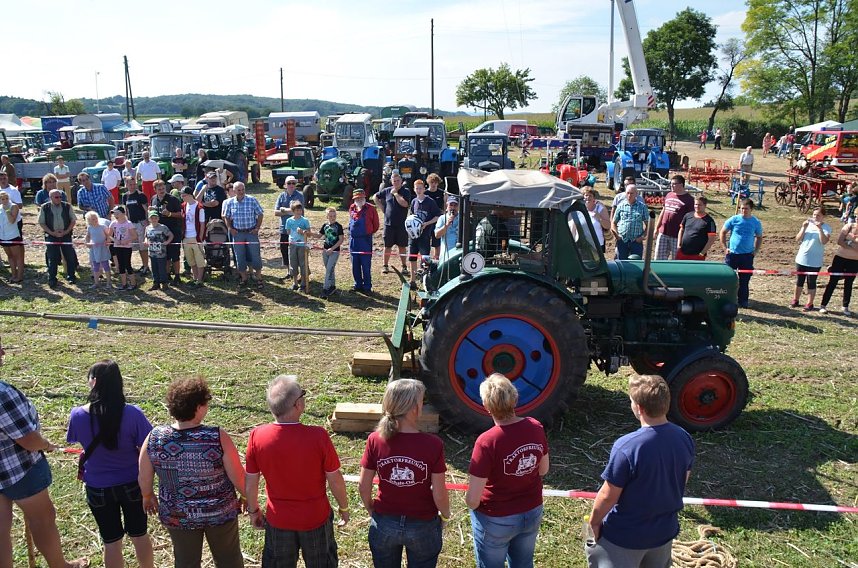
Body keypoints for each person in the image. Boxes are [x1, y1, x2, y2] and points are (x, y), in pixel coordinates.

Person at [586, 375, 695, 568]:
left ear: (639, 408)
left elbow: (608, 496)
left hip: (625, 537)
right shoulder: (684, 437)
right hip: (663, 532)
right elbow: (682, 479)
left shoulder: (627, 447)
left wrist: (594, 522)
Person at [139, 377, 246, 568]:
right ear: (198, 407)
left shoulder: (155, 437)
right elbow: (237, 475)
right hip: (219, 512)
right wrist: (247, 496)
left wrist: (147, 495)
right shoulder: (216, 436)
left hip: (178, 514)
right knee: (229, 560)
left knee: (186, 562)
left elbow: (144, 474)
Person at [245, 375, 349, 568]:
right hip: (315, 518)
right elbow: (335, 479)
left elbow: (251, 482)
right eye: (302, 394)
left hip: (278, 519)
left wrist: (253, 511)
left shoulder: (257, 436)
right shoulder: (318, 436)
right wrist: (344, 507)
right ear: (298, 405)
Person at [1, 356, 90, 567]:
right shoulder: (3, 394)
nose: (2, 352)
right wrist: (46, 444)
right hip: (18, 470)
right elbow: (29, 440)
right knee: (42, 520)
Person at [66, 360, 154, 568]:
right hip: (132, 483)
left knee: (111, 542)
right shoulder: (133, 413)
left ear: (94, 382)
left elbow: (76, 440)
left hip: (98, 487)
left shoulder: (77, 415)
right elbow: (148, 447)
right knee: (139, 535)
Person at [359, 379, 451, 568]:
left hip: (385, 521)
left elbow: (363, 485)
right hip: (422, 524)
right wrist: (445, 514)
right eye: (421, 401)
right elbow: (439, 493)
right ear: (415, 409)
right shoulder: (433, 444)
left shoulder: (375, 440)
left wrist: (371, 509)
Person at [465, 374, 549, 568]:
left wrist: (468, 504)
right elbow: (543, 469)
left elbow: (473, 499)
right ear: (515, 399)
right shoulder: (535, 427)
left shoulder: (487, 442)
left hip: (496, 518)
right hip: (531, 510)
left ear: (486, 406)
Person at [720, 199, 764, 309]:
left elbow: (759, 237)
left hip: (747, 256)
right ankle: (727, 299)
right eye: (742, 208)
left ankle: (743, 301)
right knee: (728, 279)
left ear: (751, 209)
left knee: (744, 280)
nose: (744, 210)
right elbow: (723, 232)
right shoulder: (734, 219)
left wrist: (755, 251)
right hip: (732, 255)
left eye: (746, 208)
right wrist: (725, 248)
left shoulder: (756, 222)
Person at [222, 181, 264, 287]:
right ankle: (244, 279)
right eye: (239, 190)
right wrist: (230, 228)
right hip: (238, 234)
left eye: (243, 189)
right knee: (239, 256)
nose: (241, 192)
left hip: (251, 232)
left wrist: (257, 228)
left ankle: (259, 278)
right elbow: (226, 216)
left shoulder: (252, 200)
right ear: (234, 191)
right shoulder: (230, 202)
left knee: (255, 255)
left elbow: (260, 213)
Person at [792, 207, 832, 311]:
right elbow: (798, 239)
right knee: (799, 280)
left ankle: (809, 303)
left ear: (823, 216)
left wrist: (820, 229)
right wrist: (803, 227)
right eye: (814, 215)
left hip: (815, 260)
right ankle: (795, 300)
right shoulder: (808, 225)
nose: (815, 217)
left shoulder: (826, 228)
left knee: (811, 281)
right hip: (802, 258)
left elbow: (824, 241)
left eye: (818, 215)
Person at [38, 188, 79, 288]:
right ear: (50, 197)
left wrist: (66, 231)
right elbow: (42, 223)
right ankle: (52, 278)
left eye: (60, 197)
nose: (59, 198)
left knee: (69, 256)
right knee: (53, 258)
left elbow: (73, 220)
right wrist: (52, 232)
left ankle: (71, 276)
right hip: (51, 236)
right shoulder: (44, 207)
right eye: (57, 197)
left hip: (66, 235)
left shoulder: (67, 206)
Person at [406, 179, 441, 289]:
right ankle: (412, 281)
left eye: (420, 188)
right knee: (412, 258)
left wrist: (427, 223)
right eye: (417, 188)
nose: (418, 190)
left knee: (425, 259)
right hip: (413, 235)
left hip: (425, 235)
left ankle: (426, 281)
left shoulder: (430, 201)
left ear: (424, 189)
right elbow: (411, 216)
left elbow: (437, 216)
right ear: (414, 189)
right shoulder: (414, 201)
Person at [818, 219, 858, 316]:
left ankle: (845, 306)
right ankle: (823, 305)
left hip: (855, 261)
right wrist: (853, 243)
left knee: (849, 284)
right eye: (857, 216)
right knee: (832, 282)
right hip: (840, 258)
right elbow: (840, 241)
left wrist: (848, 242)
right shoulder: (849, 226)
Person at [375, 172, 411, 275]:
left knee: (402, 246)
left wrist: (395, 194)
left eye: (398, 180)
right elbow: (375, 197)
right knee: (387, 246)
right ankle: (385, 266)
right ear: (391, 181)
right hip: (388, 224)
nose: (396, 182)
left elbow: (405, 204)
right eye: (394, 181)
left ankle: (404, 267)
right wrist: (382, 207)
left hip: (401, 224)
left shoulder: (406, 191)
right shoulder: (386, 190)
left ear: (401, 181)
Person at [654, 175, 694, 260]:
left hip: (677, 235)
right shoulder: (669, 195)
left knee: (677, 259)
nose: (671, 186)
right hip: (663, 232)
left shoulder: (689, 199)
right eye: (671, 184)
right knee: (659, 258)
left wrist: (686, 235)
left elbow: (690, 219)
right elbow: (663, 211)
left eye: (674, 184)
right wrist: (657, 228)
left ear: (681, 185)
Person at [151, 180, 183, 285]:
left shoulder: (173, 199)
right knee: (165, 255)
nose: (162, 191)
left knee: (175, 255)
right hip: (160, 232)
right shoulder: (153, 199)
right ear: (155, 190)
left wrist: (169, 214)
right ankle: (167, 274)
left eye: (163, 188)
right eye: (159, 189)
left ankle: (177, 276)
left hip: (174, 230)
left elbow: (181, 214)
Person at [348, 188, 380, 293]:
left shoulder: (371, 209)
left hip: (365, 240)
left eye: (361, 198)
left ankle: (367, 286)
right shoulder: (352, 208)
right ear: (354, 199)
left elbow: (376, 225)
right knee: (355, 264)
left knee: (366, 265)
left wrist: (367, 233)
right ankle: (357, 284)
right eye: (357, 198)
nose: (359, 200)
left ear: (365, 198)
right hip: (353, 241)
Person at [273, 176, 304, 277]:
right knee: (284, 250)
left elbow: (300, 212)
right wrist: (290, 211)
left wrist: (284, 210)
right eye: (289, 183)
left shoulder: (299, 196)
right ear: (285, 185)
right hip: (284, 229)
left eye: (293, 183)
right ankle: (289, 272)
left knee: (297, 252)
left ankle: (300, 274)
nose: (291, 185)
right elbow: (276, 212)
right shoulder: (281, 196)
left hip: (296, 230)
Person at [121, 177, 150, 276]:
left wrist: (147, 222)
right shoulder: (125, 196)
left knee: (143, 246)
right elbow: (126, 210)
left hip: (141, 222)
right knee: (134, 246)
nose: (133, 186)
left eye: (134, 184)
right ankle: (140, 265)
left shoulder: (141, 195)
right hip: (131, 223)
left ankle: (146, 266)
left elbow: (146, 209)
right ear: (126, 185)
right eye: (130, 184)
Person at [611, 185, 649, 260]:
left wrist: (642, 237)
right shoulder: (620, 206)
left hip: (636, 242)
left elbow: (649, 225)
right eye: (627, 193)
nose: (629, 195)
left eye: (631, 193)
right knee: (621, 263)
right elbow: (613, 223)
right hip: (622, 241)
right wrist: (617, 236)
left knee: (636, 263)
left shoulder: (642, 207)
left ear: (636, 194)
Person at [180, 187, 207, 287]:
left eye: (184, 195)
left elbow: (202, 224)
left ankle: (200, 280)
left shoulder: (199, 207)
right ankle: (195, 278)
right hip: (186, 237)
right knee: (190, 260)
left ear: (190, 195)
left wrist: (200, 238)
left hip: (195, 237)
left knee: (199, 260)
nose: (182, 197)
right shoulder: (183, 206)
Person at [676, 195, 717, 260]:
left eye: (699, 205)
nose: (697, 206)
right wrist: (679, 245)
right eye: (695, 204)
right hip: (682, 252)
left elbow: (711, 239)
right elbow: (681, 230)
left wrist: (702, 253)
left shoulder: (709, 221)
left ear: (705, 205)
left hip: (697, 255)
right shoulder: (687, 216)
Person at [108, 207, 138, 290]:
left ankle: (133, 284)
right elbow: (109, 235)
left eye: (117, 213)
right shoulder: (113, 223)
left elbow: (135, 236)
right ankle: (124, 284)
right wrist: (115, 240)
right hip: (117, 247)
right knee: (120, 265)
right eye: (114, 213)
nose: (115, 215)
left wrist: (126, 240)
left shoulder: (128, 223)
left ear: (123, 214)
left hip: (127, 247)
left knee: (127, 264)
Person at [144, 209, 174, 291]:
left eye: (155, 218)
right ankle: (156, 283)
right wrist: (146, 241)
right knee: (154, 268)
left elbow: (171, 235)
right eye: (152, 218)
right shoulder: (147, 228)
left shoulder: (163, 227)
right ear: (149, 219)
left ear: (158, 218)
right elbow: (146, 237)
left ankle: (164, 283)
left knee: (162, 268)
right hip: (152, 253)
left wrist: (167, 242)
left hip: (161, 253)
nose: (154, 220)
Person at [285, 200, 311, 292]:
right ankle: (295, 283)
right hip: (292, 245)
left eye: (300, 210)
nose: (299, 212)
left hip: (302, 245)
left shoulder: (305, 221)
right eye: (297, 210)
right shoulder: (289, 221)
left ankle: (303, 283)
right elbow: (288, 232)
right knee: (293, 263)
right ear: (293, 211)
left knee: (303, 263)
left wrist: (303, 232)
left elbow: (309, 233)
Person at [319, 206, 344, 299]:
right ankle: (332, 286)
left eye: (334, 216)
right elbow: (319, 235)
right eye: (330, 216)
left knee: (329, 270)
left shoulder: (338, 226)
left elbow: (341, 240)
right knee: (329, 269)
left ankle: (325, 289)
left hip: (334, 251)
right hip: (325, 251)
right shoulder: (325, 225)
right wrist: (307, 233)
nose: (332, 218)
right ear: (327, 216)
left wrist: (332, 249)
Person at [84, 211, 112, 289]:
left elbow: (108, 235)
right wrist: (87, 243)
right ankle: (96, 283)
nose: (95, 220)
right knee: (95, 267)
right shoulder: (90, 228)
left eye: (96, 218)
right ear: (89, 220)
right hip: (94, 249)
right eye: (93, 219)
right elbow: (88, 236)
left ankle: (109, 282)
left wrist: (107, 241)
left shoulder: (103, 227)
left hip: (103, 249)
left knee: (106, 266)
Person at [0, 191, 23, 284]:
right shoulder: (0, 208)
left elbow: (12, 221)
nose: (5, 200)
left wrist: (7, 211)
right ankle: (13, 275)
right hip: (3, 236)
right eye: (3, 199)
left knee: (18, 256)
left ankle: (19, 276)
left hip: (13, 235)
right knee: (10, 256)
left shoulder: (13, 206)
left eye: (6, 198)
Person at [582, 188, 610, 253]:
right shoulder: (579, 209)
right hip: (583, 244)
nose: (588, 197)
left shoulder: (600, 208)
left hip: (598, 243)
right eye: (586, 195)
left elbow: (608, 226)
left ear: (594, 198)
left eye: (590, 195)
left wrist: (599, 218)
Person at [434, 195, 460, 262]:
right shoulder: (442, 218)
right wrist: (447, 224)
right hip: (446, 254)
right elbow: (437, 235)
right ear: (447, 206)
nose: (453, 207)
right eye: (451, 205)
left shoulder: (462, 218)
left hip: (459, 253)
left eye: (455, 205)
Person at [425, 173, 446, 259]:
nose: (433, 184)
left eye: (435, 182)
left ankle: (436, 258)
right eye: (432, 182)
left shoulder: (442, 193)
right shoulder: (425, 193)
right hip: (427, 220)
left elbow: (445, 206)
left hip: (438, 220)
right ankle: (426, 258)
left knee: (437, 241)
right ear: (428, 182)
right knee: (426, 241)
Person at [0, 172, 23, 236]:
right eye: (0, 179)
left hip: (14, 220)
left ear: (7, 179)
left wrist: (7, 202)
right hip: (2, 220)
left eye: (4, 178)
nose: (3, 181)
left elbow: (20, 205)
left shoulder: (13, 190)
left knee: (16, 241)